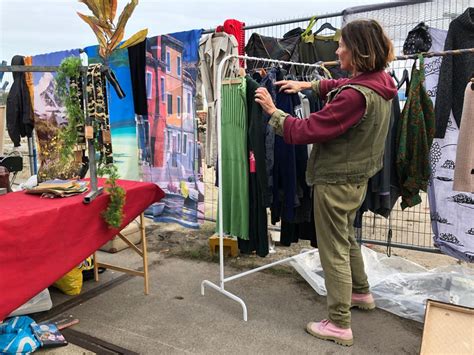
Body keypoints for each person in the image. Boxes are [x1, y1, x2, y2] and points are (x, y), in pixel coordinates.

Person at [255, 19, 397, 347]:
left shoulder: (355, 96)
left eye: (343, 45)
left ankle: (338, 323)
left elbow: (306, 130)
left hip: (335, 181)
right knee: (346, 239)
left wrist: (274, 112)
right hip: (356, 178)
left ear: (358, 51)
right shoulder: (380, 83)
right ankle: (361, 293)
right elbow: (342, 85)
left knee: (332, 249)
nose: (337, 50)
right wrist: (307, 87)